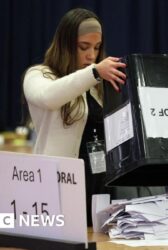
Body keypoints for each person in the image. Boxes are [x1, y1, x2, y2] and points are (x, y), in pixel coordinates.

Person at [23, 8, 128, 226]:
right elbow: (49, 97)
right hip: (58, 186)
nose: (91, 55)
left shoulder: (96, 85)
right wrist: (94, 73)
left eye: (97, 48)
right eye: (84, 47)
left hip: (99, 185)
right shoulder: (39, 75)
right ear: (65, 44)